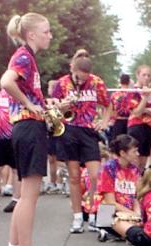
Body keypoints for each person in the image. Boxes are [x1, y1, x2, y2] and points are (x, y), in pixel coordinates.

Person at [0, 12, 57, 246]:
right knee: (29, 197)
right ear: (32, 34)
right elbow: (6, 82)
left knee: (24, 196)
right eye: (46, 31)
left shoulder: (27, 57)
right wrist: (29, 104)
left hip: (25, 127)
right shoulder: (24, 56)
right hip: (29, 128)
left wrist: (43, 104)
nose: (50, 35)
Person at [51, 49, 111, 234]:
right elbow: (53, 106)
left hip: (88, 130)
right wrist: (63, 104)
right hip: (68, 129)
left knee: (95, 176)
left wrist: (105, 121)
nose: (81, 81)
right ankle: (77, 216)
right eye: (78, 77)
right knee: (75, 176)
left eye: (84, 78)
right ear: (73, 70)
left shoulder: (96, 82)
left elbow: (107, 104)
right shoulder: (62, 83)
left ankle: (93, 214)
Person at [97, 134, 142, 242]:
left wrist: (137, 215)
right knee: (106, 214)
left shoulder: (135, 170)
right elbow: (110, 202)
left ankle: (121, 233)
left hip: (130, 212)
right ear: (122, 153)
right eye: (134, 151)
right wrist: (132, 214)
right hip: (111, 211)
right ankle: (117, 232)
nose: (138, 154)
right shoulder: (109, 169)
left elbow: (137, 196)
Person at [126, 65, 151, 169]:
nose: (146, 77)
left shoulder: (150, 92)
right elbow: (137, 113)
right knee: (135, 160)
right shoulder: (133, 91)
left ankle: (141, 182)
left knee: (143, 162)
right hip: (136, 127)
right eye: (144, 75)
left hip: (148, 127)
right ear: (137, 75)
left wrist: (146, 109)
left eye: (148, 75)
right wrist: (144, 98)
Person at [109, 74, 133, 141]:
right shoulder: (132, 94)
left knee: (117, 142)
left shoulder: (114, 95)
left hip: (118, 121)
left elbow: (111, 110)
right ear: (129, 82)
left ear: (120, 82)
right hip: (130, 122)